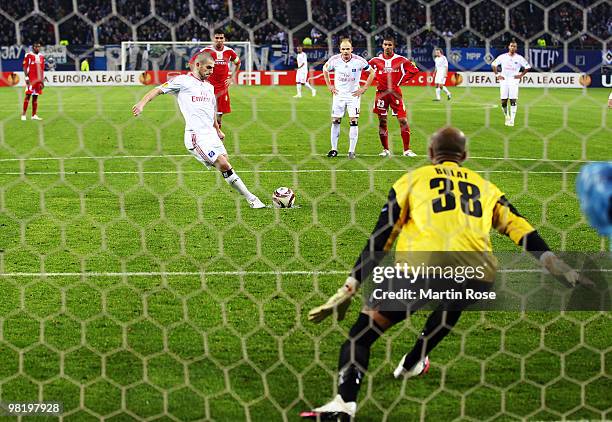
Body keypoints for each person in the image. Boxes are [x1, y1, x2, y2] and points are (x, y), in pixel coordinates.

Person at [301, 127, 591, 420]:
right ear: (464, 156)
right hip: (479, 276)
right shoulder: (485, 187)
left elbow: (383, 235)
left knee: (361, 335)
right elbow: (522, 230)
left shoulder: (412, 180)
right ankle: (414, 361)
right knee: (453, 299)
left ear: (430, 154)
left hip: (421, 272)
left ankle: (344, 404)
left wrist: (351, 285)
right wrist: (563, 270)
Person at [132, 53, 265, 209]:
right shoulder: (183, 81)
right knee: (224, 165)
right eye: (208, 67)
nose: (211, 71)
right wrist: (141, 104)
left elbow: (211, 111)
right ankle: (252, 199)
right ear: (197, 65)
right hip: (196, 136)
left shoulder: (209, 87)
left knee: (225, 164)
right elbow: (158, 90)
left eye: (213, 68)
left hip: (210, 134)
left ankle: (246, 194)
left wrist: (217, 130)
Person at [323, 38, 375, 159]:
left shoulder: (359, 61)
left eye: (347, 49)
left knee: (353, 121)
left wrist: (364, 88)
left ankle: (351, 151)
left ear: (352, 49)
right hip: (339, 95)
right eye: (343, 49)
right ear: (340, 49)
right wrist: (329, 85)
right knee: (335, 121)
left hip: (353, 96)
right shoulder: (334, 60)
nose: (345, 51)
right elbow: (325, 69)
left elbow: (372, 72)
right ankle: (334, 149)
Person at [368, 37, 419, 158]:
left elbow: (414, 70)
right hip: (381, 94)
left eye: (390, 45)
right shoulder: (375, 61)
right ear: (382, 46)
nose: (387, 47)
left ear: (393, 46)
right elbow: (365, 70)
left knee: (403, 120)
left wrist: (401, 81)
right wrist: (376, 79)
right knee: (382, 121)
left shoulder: (401, 60)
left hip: (395, 94)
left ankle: (407, 150)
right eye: (385, 44)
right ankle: (385, 149)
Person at [196, 31, 240, 128]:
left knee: (219, 113)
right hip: (209, 85)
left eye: (221, 38)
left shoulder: (229, 52)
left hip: (223, 86)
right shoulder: (206, 50)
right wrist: (201, 76)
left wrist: (231, 78)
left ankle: (217, 131)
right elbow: (195, 62)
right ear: (213, 39)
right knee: (206, 110)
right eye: (217, 38)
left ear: (224, 39)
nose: (219, 40)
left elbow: (238, 63)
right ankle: (207, 129)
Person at [491, 41, 531, 127]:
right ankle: (507, 116)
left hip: (514, 80)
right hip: (504, 79)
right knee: (503, 101)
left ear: (516, 48)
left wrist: (521, 75)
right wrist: (497, 75)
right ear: (509, 47)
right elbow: (493, 64)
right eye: (511, 46)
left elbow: (528, 67)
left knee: (513, 100)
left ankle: (512, 120)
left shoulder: (519, 58)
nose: (513, 48)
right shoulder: (502, 57)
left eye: (514, 46)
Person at [21, 42, 45, 121]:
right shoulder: (28, 55)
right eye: (36, 47)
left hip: (38, 80)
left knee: (35, 97)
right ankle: (23, 115)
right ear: (33, 47)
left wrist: (42, 81)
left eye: (39, 47)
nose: (38, 48)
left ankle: (34, 115)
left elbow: (42, 69)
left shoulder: (41, 56)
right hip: (31, 80)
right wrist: (26, 77)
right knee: (28, 95)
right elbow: (24, 66)